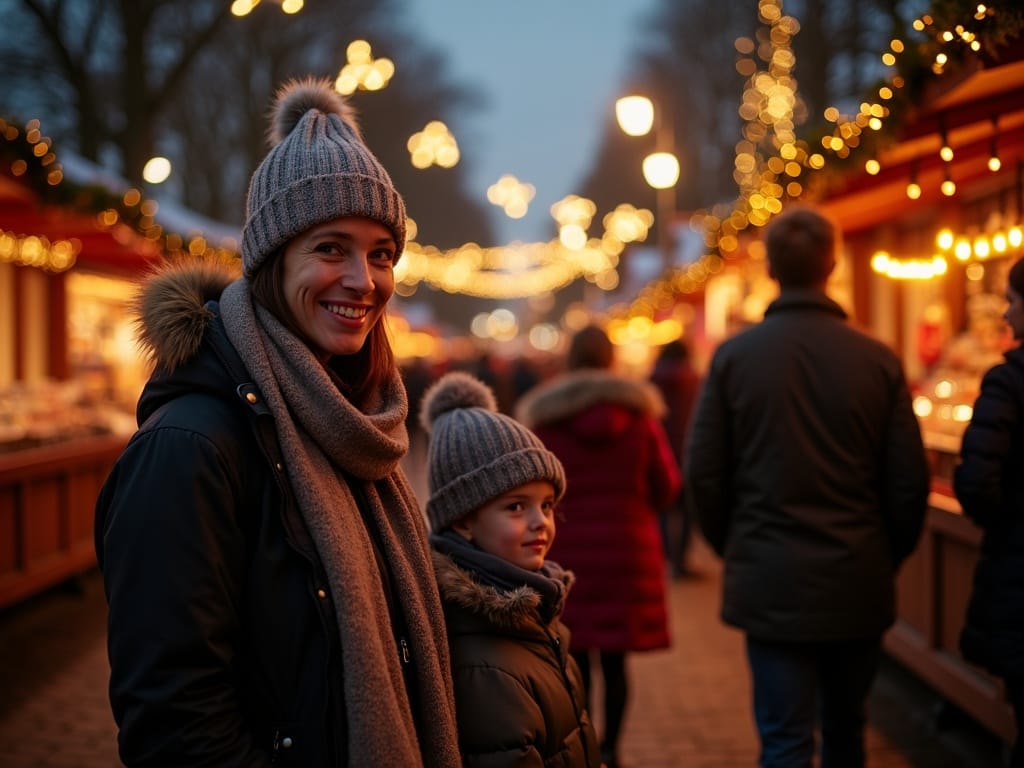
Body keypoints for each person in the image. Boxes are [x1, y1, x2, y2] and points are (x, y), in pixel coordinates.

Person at [94, 78, 460, 767]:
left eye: (382, 253)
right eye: (330, 248)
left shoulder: (358, 428)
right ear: (272, 261)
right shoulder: (190, 448)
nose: (363, 278)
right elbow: (175, 722)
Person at [685, 205, 929, 768]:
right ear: (833, 263)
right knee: (847, 733)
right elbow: (907, 481)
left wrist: (737, 546)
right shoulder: (877, 359)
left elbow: (705, 472)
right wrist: (881, 552)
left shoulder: (733, 360)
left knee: (785, 740)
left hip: (770, 577)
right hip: (856, 574)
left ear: (770, 267)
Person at [419, 370, 601, 767]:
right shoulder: (483, 666)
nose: (541, 522)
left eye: (547, 504)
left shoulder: (537, 608)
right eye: (516, 506)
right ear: (463, 520)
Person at [516, 325, 679, 768]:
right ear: (610, 359)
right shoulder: (640, 417)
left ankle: (583, 747)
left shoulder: (547, 420)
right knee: (617, 661)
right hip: (627, 552)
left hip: (567, 551)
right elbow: (666, 487)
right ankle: (613, 748)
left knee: (574, 657)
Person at [955, 255, 1024, 768]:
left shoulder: (1009, 382)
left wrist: (1005, 522)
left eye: (1013, 301)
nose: (1005, 313)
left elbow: (977, 482)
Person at [648, 337, 702, 578]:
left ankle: (667, 555)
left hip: (662, 449)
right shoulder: (696, 382)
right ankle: (681, 559)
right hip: (690, 452)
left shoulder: (651, 384)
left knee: (663, 508)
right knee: (688, 509)